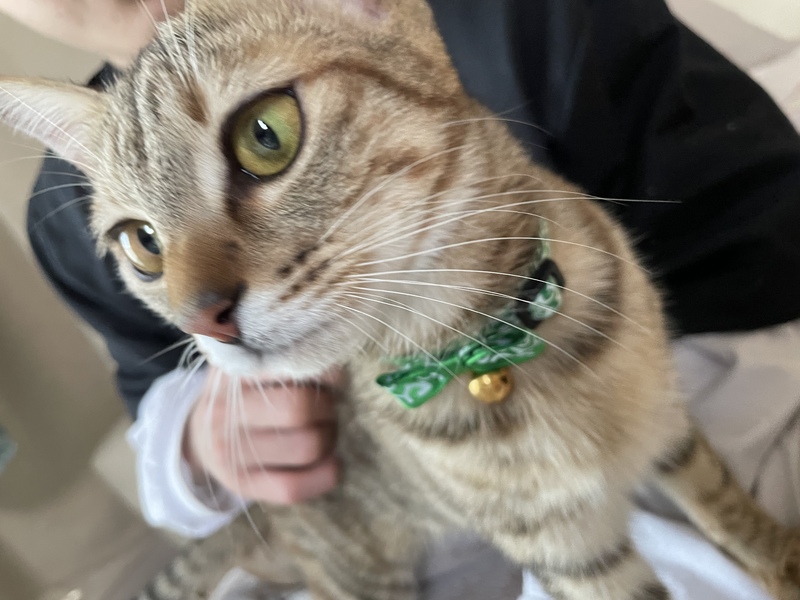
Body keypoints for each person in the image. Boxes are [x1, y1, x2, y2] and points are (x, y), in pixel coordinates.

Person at [8, 0, 800, 598]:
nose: (201, 298)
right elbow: (150, 379)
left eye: (265, 138)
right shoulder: (65, 209)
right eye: (145, 244)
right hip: (358, 491)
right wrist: (194, 447)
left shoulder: (519, 19)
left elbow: (746, 208)